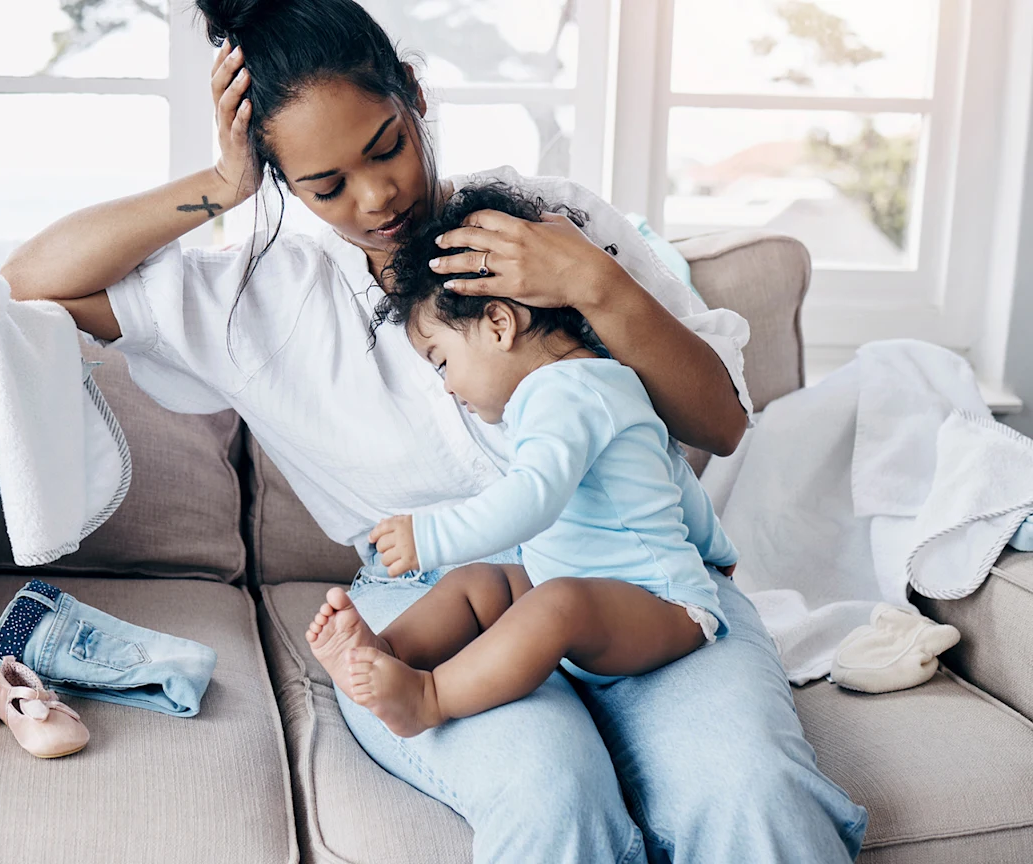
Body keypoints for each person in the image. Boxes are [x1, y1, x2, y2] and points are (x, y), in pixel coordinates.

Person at [2, 0, 867, 859]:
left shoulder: (548, 225)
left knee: (754, 793)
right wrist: (221, 187)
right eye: (326, 185)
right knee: (550, 793)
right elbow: (27, 282)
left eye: (387, 147)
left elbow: (719, 422)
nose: (377, 198)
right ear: (280, 179)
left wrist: (597, 286)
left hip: (635, 568)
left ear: (414, 95)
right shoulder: (254, 300)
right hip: (442, 599)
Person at [306, 180, 737, 739]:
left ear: (498, 324)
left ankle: (429, 697)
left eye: (441, 361)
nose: (447, 387)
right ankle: (386, 652)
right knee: (480, 585)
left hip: (663, 609)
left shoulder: (569, 393)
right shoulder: (593, 384)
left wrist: (429, 537)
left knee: (556, 603)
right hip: (596, 598)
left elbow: (532, 500)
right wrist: (717, 547)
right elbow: (673, 475)